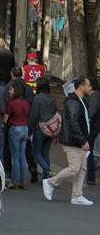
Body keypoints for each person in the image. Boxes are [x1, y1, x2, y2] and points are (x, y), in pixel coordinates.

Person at [42, 76, 93, 206]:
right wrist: (82, 140)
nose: (90, 88)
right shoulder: (74, 102)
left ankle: (77, 195)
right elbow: (73, 123)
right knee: (75, 168)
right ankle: (51, 182)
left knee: (82, 168)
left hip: (78, 140)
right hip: (73, 141)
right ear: (81, 87)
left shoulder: (80, 101)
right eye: (88, 85)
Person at [29, 77, 57, 180]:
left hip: (39, 129)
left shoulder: (37, 98)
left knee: (36, 153)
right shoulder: (51, 98)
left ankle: (48, 171)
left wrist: (30, 130)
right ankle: (46, 178)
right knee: (45, 153)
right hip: (50, 129)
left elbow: (33, 115)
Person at [5, 79, 30, 189]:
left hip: (15, 128)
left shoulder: (11, 104)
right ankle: (23, 181)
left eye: (11, 90)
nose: (9, 92)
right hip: (25, 128)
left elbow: (5, 118)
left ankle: (16, 181)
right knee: (22, 155)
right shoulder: (26, 103)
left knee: (15, 156)